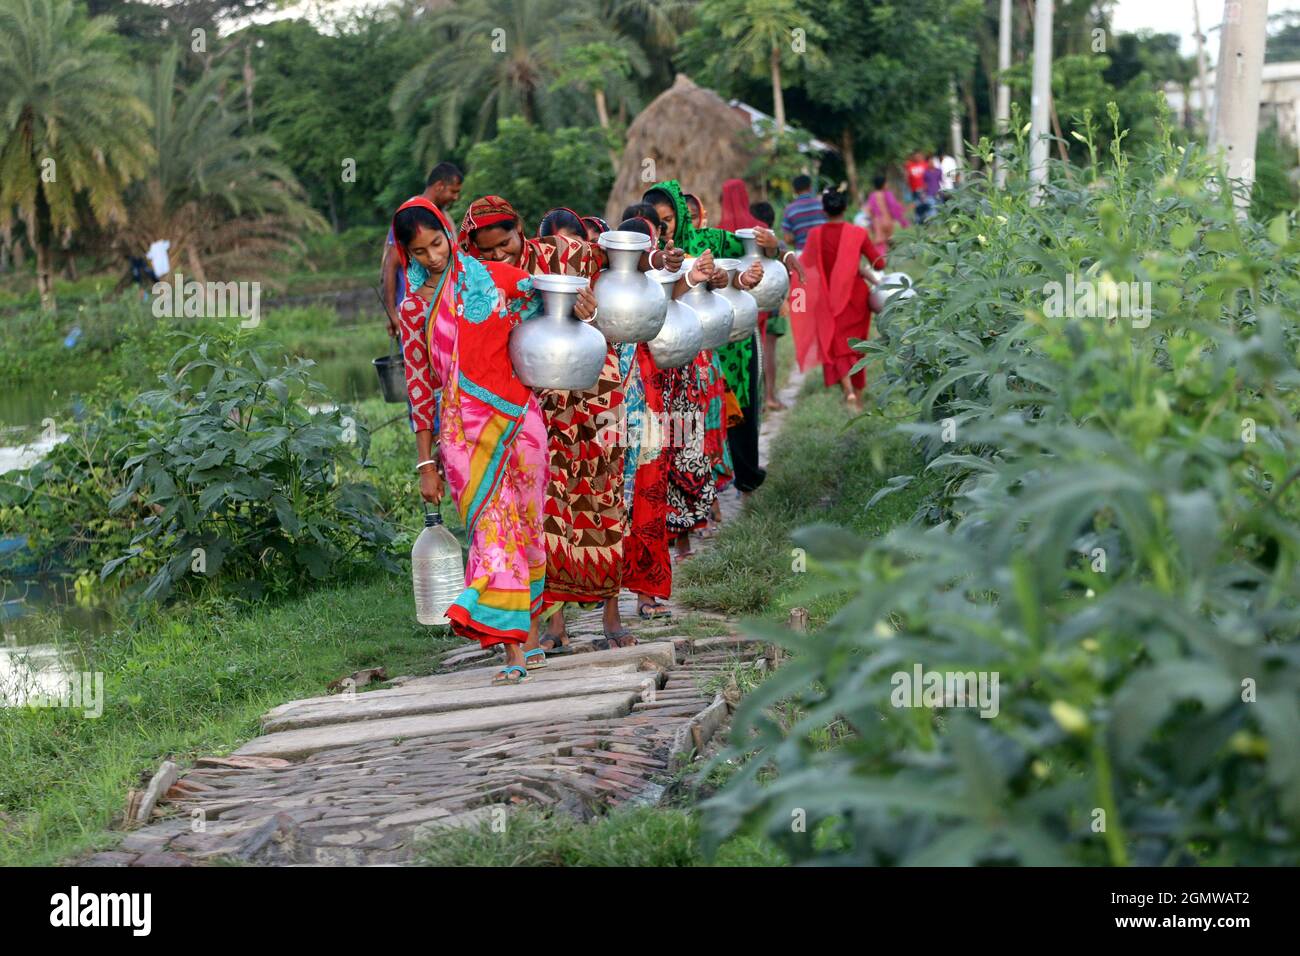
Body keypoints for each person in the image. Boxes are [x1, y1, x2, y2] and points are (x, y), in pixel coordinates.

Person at [459, 195, 682, 650]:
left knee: (604, 502)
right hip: (531, 406)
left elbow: (615, 257)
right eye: (488, 252)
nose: (500, 256)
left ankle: (611, 616)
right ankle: (550, 628)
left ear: (521, 231)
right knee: (541, 513)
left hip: (593, 395)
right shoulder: (478, 283)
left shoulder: (560, 254)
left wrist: (658, 258)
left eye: (505, 245)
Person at [391, 197, 547, 686]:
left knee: (530, 528)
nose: (433, 257)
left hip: (521, 420)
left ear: (447, 233)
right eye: (419, 252)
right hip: (462, 437)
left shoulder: (493, 279)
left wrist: (581, 304)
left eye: (436, 243)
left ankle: (533, 635)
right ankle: (512, 649)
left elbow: (549, 302)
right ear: (406, 254)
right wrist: (425, 463)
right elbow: (419, 385)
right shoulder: (413, 307)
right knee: (493, 533)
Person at [641, 179, 766, 557]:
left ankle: (701, 513)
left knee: (702, 437)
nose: (666, 229)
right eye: (657, 223)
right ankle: (679, 524)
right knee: (667, 444)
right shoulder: (646, 255)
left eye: (669, 220)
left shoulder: (703, 245)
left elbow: (732, 277)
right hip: (658, 362)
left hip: (702, 356)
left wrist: (737, 279)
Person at [799, 188, 886, 413]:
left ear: (824, 210)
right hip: (856, 299)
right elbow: (879, 264)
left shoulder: (815, 235)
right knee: (856, 347)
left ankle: (847, 391)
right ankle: (856, 396)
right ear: (845, 208)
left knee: (836, 347)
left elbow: (806, 265)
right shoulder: (858, 233)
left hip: (827, 299)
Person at [382, 162, 464, 337]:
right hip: (417, 311)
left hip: (444, 307)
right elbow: (390, 265)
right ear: (440, 186)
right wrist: (391, 313)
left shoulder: (441, 215)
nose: (456, 197)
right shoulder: (411, 216)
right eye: (453, 191)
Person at [750, 199, 806, 412]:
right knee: (769, 350)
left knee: (761, 351)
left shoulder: (757, 241)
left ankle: (765, 397)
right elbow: (789, 273)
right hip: (774, 305)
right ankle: (769, 396)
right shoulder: (776, 243)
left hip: (763, 306)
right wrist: (786, 300)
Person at [779, 174, 826, 253]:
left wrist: (798, 240)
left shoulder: (790, 210)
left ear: (794, 190)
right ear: (810, 187)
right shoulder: (822, 205)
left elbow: (787, 238)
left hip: (802, 253)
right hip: (823, 252)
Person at [865, 175, 908, 253]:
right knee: (889, 238)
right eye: (886, 183)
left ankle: (881, 254)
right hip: (887, 220)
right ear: (883, 184)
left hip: (877, 222)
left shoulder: (872, 196)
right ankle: (892, 250)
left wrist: (871, 222)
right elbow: (894, 207)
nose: (887, 184)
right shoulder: (888, 194)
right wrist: (902, 221)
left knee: (880, 240)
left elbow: (869, 209)